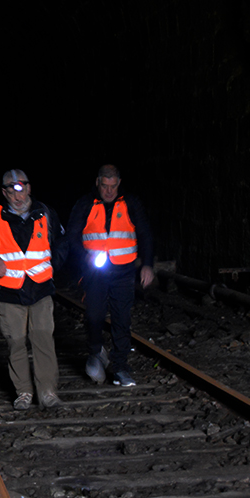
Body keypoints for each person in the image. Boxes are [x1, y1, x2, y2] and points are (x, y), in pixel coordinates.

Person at [0, 169, 67, 410]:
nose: (18, 196)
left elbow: (61, 243)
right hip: (9, 292)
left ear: (28, 187)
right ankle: (24, 392)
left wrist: (53, 264)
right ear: (4, 193)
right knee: (15, 342)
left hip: (40, 288)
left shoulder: (45, 213)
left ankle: (47, 392)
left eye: (21, 188)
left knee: (43, 339)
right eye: (11, 191)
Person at [66, 164, 154, 387]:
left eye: (113, 187)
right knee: (94, 316)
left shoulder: (131, 204)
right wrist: (84, 255)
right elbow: (72, 235)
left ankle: (121, 367)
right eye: (105, 186)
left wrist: (148, 265)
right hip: (95, 272)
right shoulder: (85, 204)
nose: (109, 192)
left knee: (121, 319)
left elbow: (145, 234)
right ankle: (96, 351)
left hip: (123, 271)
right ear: (97, 183)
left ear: (119, 184)